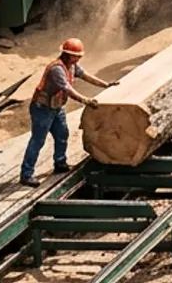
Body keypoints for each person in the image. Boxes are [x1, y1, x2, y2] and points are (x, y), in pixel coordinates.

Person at [21, 38, 114, 186]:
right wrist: (86, 101)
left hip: (57, 108)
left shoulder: (72, 66)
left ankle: (60, 163)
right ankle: (26, 174)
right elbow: (67, 89)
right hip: (43, 109)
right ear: (66, 54)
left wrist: (106, 85)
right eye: (75, 55)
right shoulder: (56, 69)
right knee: (38, 141)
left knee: (62, 135)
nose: (78, 58)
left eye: (79, 56)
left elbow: (86, 75)